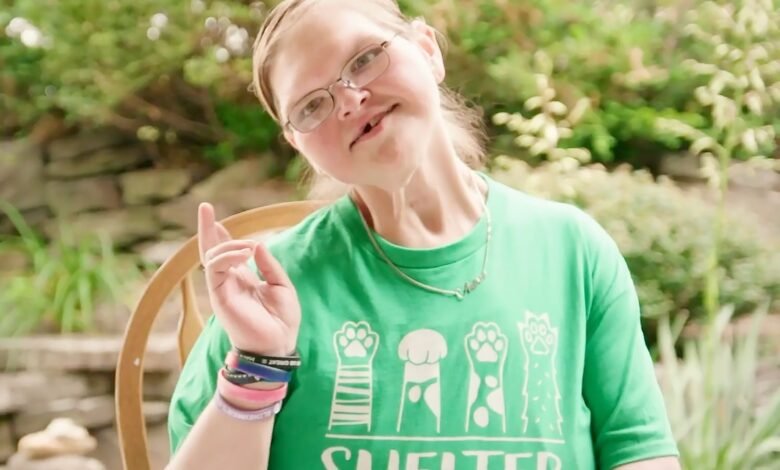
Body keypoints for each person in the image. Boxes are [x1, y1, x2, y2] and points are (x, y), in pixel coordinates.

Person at [166, 0, 681, 468]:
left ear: (428, 50)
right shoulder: (265, 295)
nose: (349, 100)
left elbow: (640, 453)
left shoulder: (572, 252)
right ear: (298, 144)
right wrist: (261, 363)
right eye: (311, 106)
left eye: (364, 59)